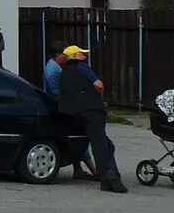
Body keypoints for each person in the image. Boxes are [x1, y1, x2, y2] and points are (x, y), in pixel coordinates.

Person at [56, 45, 126, 193]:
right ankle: (108, 176)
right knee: (101, 144)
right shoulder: (81, 67)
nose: (84, 56)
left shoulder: (63, 74)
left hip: (74, 114)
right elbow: (98, 85)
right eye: (81, 54)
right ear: (73, 56)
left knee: (104, 143)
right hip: (92, 110)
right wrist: (98, 93)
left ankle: (108, 174)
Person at [43, 46, 98, 180]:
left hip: (63, 106)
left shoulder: (55, 67)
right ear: (58, 55)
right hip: (64, 108)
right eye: (64, 55)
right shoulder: (54, 70)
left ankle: (78, 168)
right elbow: (57, 92)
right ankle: (95, 171)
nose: (66, 58)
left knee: (73, 137)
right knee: (79, 136)